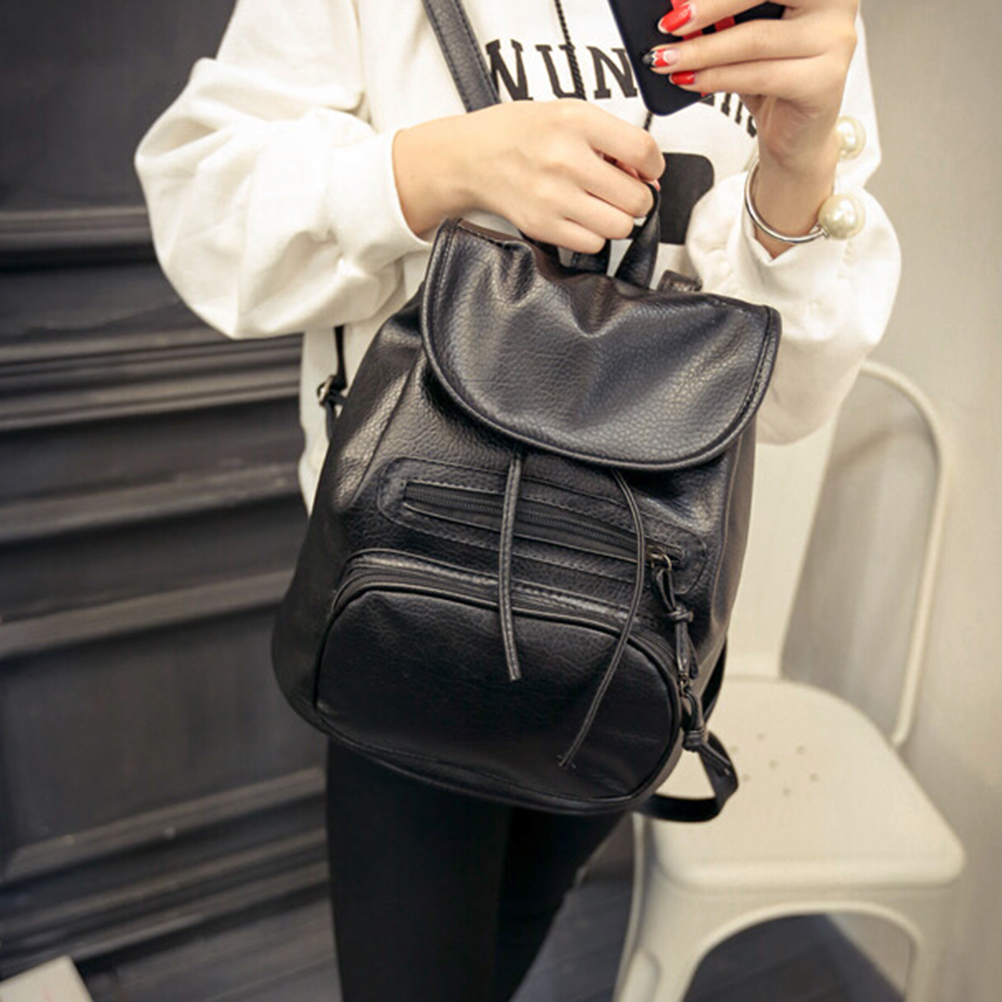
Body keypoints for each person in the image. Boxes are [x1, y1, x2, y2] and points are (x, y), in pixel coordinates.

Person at [135, 1, 900, 999]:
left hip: (641, 607)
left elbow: (784, 393)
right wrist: (437, 167)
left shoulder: (802, 14)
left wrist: (794, 176)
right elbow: (201, 209)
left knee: (520, 923)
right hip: (417, 578)